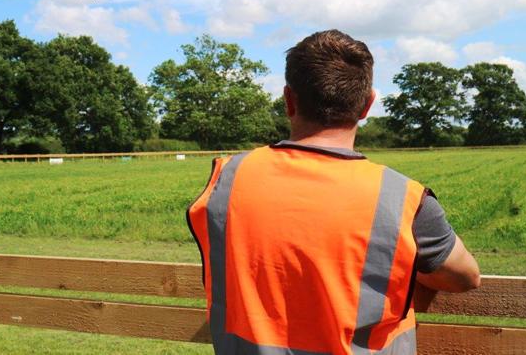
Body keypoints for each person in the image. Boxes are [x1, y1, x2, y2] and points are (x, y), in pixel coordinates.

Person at [187, 30, 480, 355]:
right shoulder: (403, 198)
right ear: (367, 104)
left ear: (288, 100)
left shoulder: (226, 179)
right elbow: (465, 276)